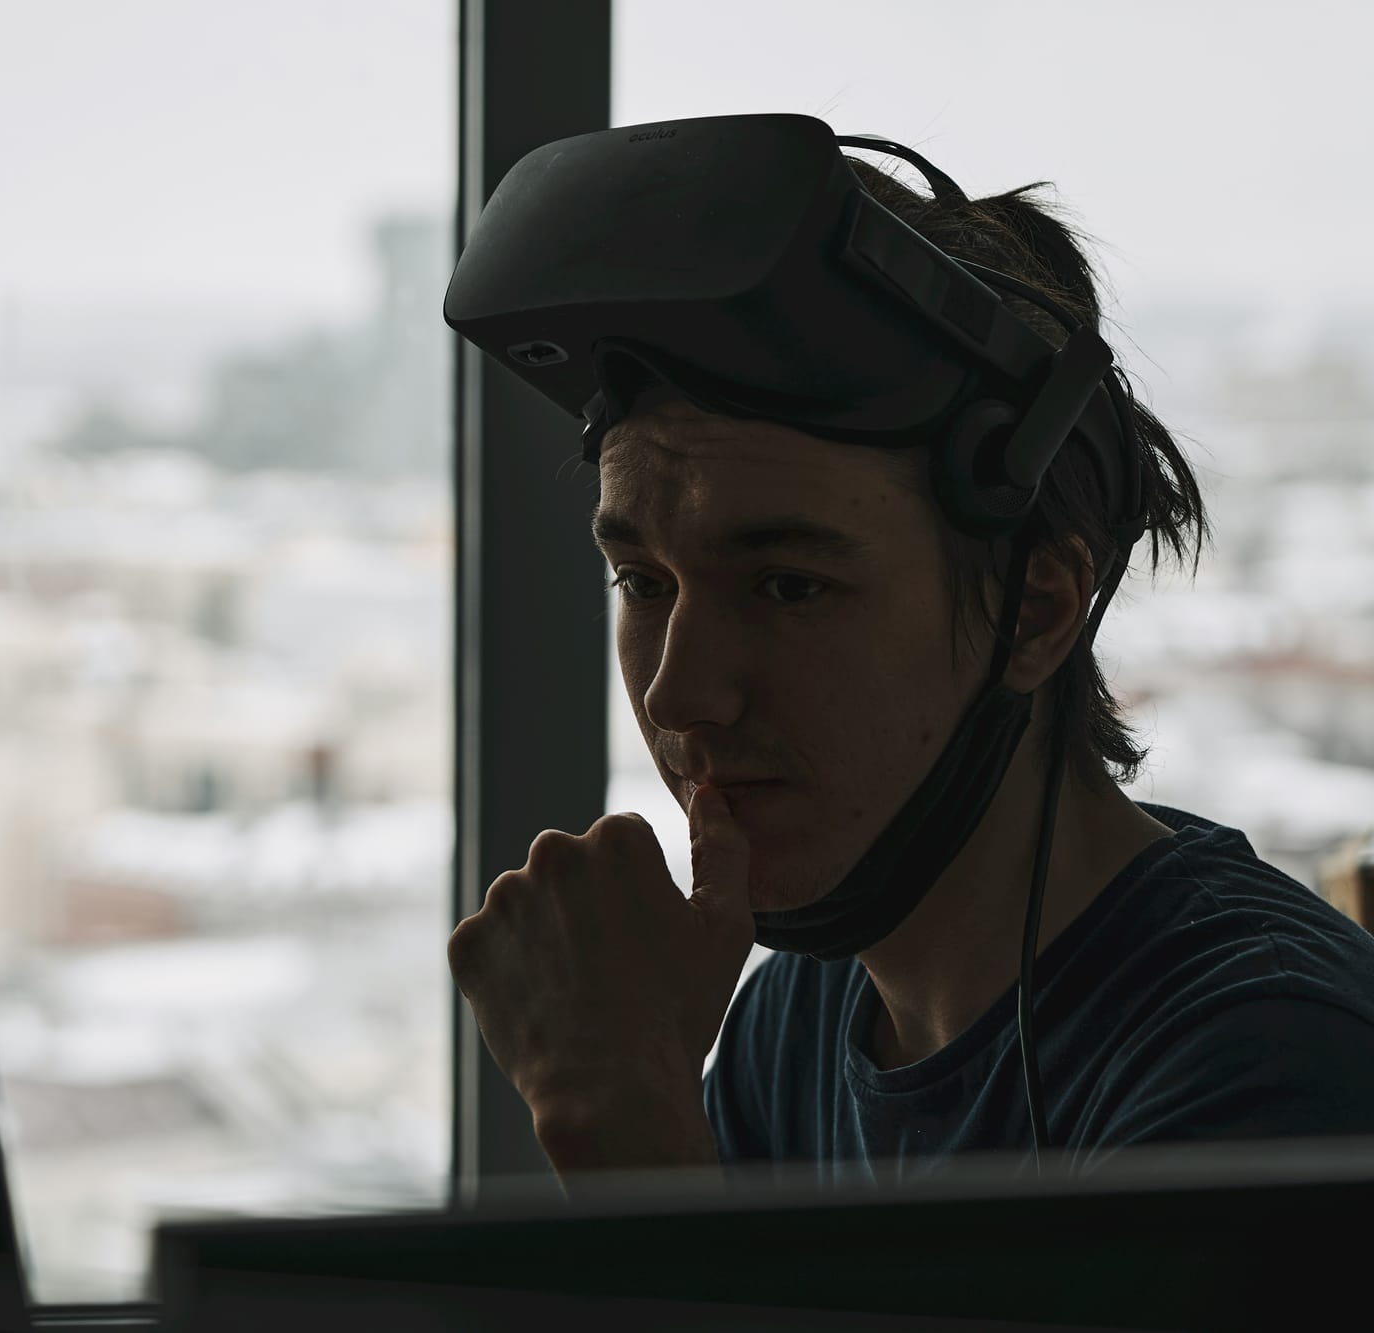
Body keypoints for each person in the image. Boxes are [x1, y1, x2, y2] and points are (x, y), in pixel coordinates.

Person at [445, 152, 1374, 1184]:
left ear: (1034, 610)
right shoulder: (792, 1021)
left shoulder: (1268, 1065)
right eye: (642, 583)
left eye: (787, 587)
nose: (676, 692)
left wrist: (618, 1121)